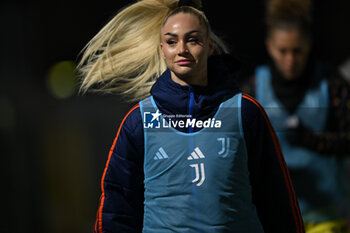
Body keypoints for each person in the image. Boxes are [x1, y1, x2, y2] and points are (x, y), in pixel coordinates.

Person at [78, 0, 304, 232]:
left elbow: (277, 201)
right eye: (172, 42)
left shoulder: (246, 112)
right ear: (162, 49)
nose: (182, 49)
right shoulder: (139, 121)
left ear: (209, 46)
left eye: (193, 40)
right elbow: (118, 207)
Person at [239, 0, 350, 232]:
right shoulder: (253, 90)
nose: (290, 60)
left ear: (308, 45)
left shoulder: (332, 85)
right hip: (273, 216)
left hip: (326, 215)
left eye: (297, 51)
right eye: (283, 51)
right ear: (269, 46)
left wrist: (313, 140)